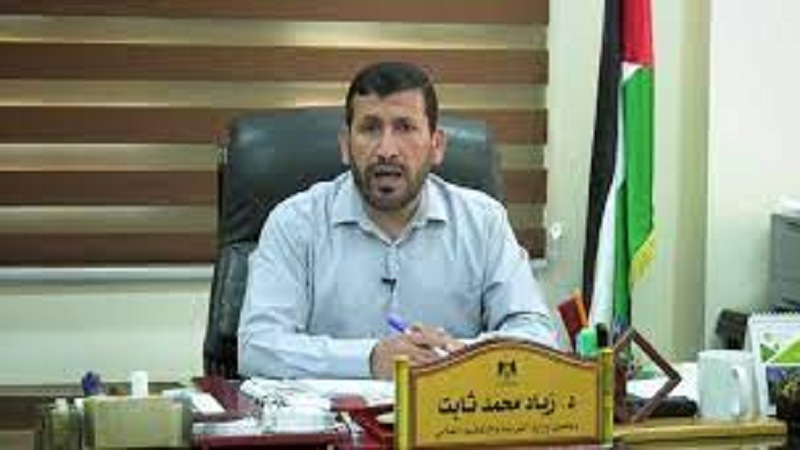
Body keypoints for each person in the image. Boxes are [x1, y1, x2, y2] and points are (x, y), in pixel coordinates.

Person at [238, 61, 558, 380]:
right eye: (370, 128)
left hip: (448, 408)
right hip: (337, 412)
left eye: (405, 128)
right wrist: (369, 359)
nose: (387, 150)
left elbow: (539, 337)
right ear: (345, 146)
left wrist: (455, 354)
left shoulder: (483, 222)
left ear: (436, 146)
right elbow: (257, 349)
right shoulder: (295, 223)